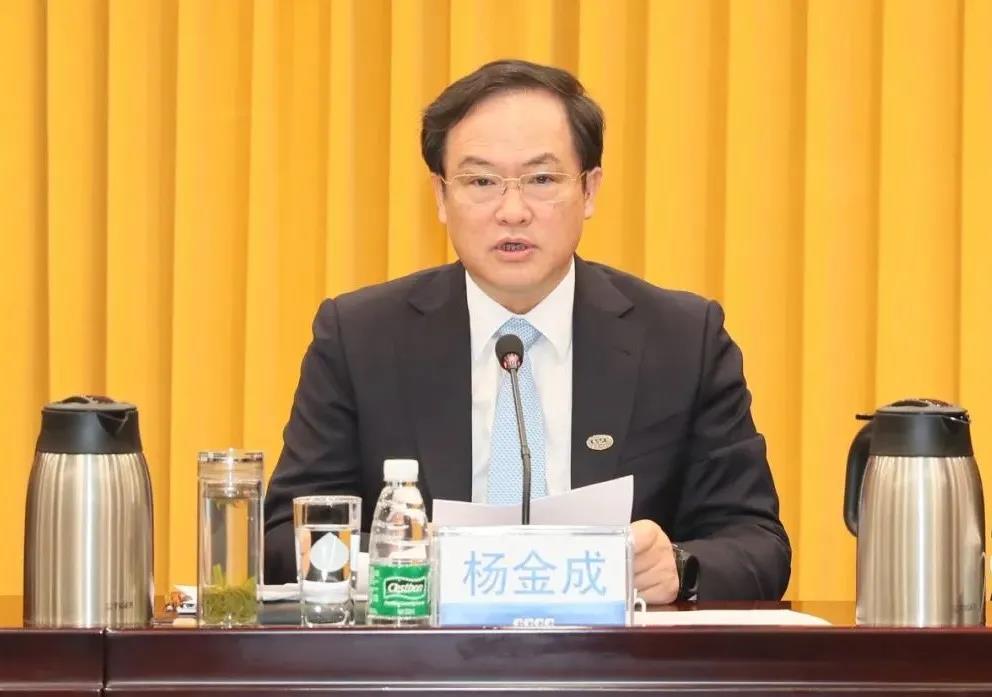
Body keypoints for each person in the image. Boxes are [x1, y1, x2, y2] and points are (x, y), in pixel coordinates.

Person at [263, 59, 790, 602]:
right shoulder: (361, 337)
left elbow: (758, 544)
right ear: (441, 196)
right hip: (425, 651)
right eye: (481, 181)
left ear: (589, 190)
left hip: (615, 654)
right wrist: (396, 564)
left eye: (541, 180)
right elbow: (284, 535)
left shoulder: (681, 340)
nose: (512, 211)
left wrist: (678, 565)